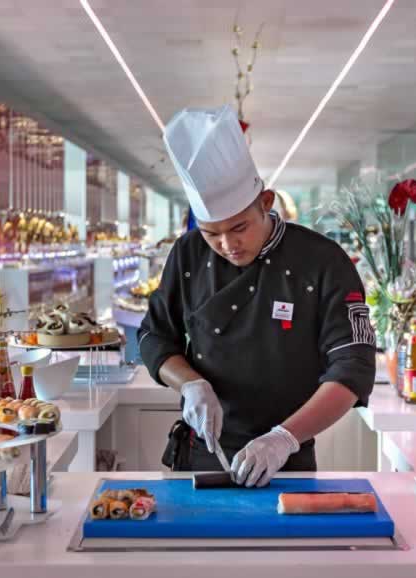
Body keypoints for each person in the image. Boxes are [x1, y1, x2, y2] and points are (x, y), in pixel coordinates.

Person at [138, 105, 376, 487]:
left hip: (287, 459)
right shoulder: (187, 254)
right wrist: (190, 384)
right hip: (202, 454)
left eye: (239, 227)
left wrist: (283, 438)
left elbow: (354, 366)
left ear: (266, 202)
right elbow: (154, 336)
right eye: (211, 233)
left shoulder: (323, 261)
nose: (227, 245)